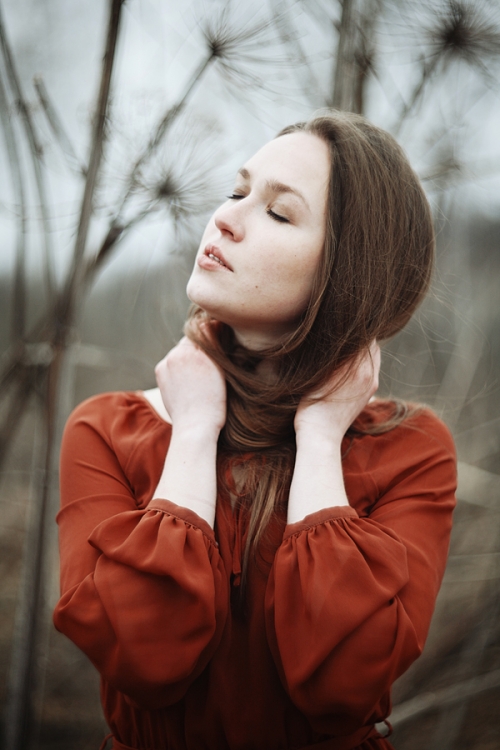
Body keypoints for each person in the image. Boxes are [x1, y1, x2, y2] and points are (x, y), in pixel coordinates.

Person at [54, 111, 457, 750]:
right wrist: (192, 433)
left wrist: (322, 435)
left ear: (346, 272)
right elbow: (145, 659)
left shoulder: (409, 450)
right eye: (238, 191)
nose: (225, 218)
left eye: (278, 213)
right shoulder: (107, 429)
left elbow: (340, 687)